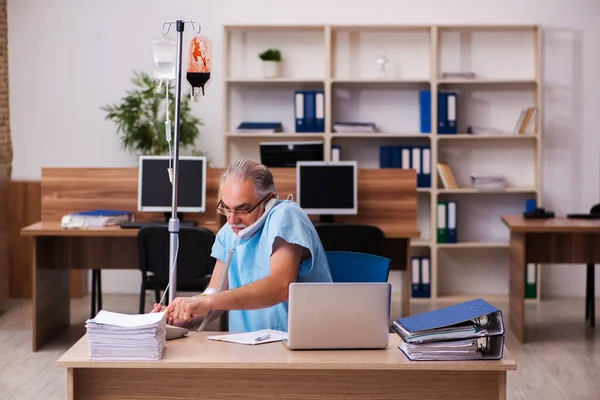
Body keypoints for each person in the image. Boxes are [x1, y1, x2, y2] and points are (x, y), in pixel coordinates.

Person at [154, 158, 332, 332]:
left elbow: (281, 287)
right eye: (226, 208)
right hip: (245, 348)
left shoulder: (285, 216)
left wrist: (207, 301)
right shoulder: (227, 234)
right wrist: (182, 316)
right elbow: (214, 297)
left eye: (242, 209)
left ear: (269, 200)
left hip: (296, 345)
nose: (232, 219)